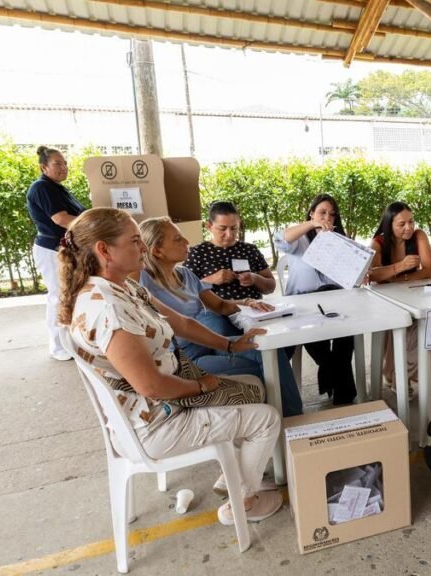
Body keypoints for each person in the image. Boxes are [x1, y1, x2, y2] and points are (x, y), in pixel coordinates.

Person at [58, 208, 282, 526]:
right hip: (154, 423)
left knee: (254, 386)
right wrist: (202, 386)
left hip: (158, 403)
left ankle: (233, 474)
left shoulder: (125, 288)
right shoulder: (108, 308)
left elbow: (182, 323)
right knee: (267, 418)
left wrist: (232, 345)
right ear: (104, 250)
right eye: (135, 241)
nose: (143, 248)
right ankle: (242, 503)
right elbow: (150, 386)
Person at [139, 217, 303, 416]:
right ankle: (283, 420)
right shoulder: (142, 281)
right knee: (265, 368)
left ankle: (292, 417)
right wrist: (230, 345)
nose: (186, 242)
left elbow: (221, 305)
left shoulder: (184, 274)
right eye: (177, 239)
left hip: (211, 345)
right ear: (157, 250)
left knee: (270, 352)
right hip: (186, 360)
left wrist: (248, 302)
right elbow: (183, 324)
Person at [273, 194, 357, 405]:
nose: (327, 217)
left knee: (347, 335)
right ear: (311, 213)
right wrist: (313, 224)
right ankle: (343, 390)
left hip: (335, 299)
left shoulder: (340, 240)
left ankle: (331, 378)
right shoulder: (300, 239)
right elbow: (281, 239)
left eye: (332, 214)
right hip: (303, 302)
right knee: (313, 335)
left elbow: (351, 275)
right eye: (322, 212)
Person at [25, 146, 86, 361]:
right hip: (51, 250)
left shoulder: (57, 187)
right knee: (58, 297)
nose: (63, 168)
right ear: (44, 167)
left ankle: (71, 342)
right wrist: (92, 224)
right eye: (58, 164)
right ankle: (58, 346)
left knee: (69, 295)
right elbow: (60, 218)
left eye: (65, 163)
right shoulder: (42, 187)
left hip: (65, 249)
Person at [368, 202, 431, 393]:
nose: (409, 227)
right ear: (389, 225)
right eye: (402, 224)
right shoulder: (378, 243)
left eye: (411, 222)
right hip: (385, 302)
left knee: (422, 322)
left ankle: (401, 376)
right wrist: (401, 267)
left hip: (413, 297)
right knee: (400, 323)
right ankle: (397, 375)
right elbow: (371, 274)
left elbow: (429, 271)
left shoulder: (419, 236)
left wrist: (399, 278)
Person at [184, 201, 277, 301]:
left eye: (234, 228)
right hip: (216, 313)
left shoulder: (249, 250)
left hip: (254, 311)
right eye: (222, 228)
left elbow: (271, 287)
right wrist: (210, 280)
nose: (229, 234)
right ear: (209, 226)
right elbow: (183, 291)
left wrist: (255, 279)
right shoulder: (198, 252)